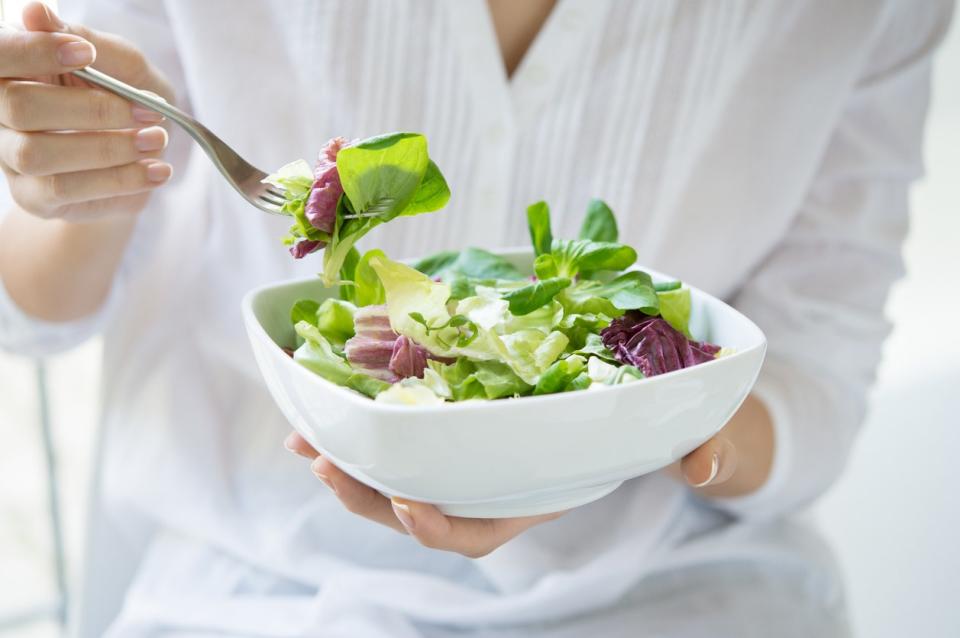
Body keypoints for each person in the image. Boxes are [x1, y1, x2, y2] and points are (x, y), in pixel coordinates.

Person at [0, 1, 951, 636]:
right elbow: (35, 317)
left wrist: (644, 429)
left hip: (679, 584)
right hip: (260, 574)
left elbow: (820, 370)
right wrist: (97, 181)